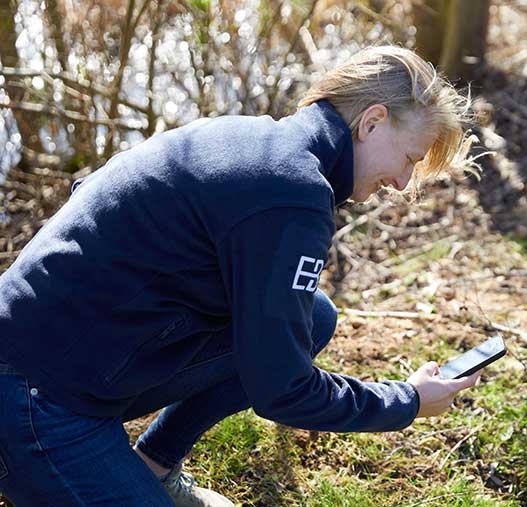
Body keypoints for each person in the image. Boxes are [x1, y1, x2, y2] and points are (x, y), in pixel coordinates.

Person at [0, 46, 481, 506]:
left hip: (62, 358)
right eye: (410, 159)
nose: (400, 183)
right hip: (36, 397)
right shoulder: (292, 196)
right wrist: (407, 402)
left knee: (312, 318)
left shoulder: (250, 139)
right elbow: (284, 389)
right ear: (372, 122)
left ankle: (154, 464)